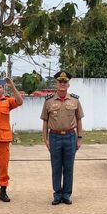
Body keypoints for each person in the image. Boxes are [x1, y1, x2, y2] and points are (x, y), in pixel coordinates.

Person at [41, 70, 84, 205]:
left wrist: (80, 138)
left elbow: (79, 120)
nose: (62, 84)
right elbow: (45, 121)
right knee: (56, 167)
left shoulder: (75, 100)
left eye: (65, 82)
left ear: (68, 85)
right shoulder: (48, 101)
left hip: (71, 136)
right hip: (54, 137)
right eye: (60, 82)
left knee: (69, 167)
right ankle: (57, 194)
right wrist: (45, 139)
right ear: (56, 84)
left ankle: (66, 194)